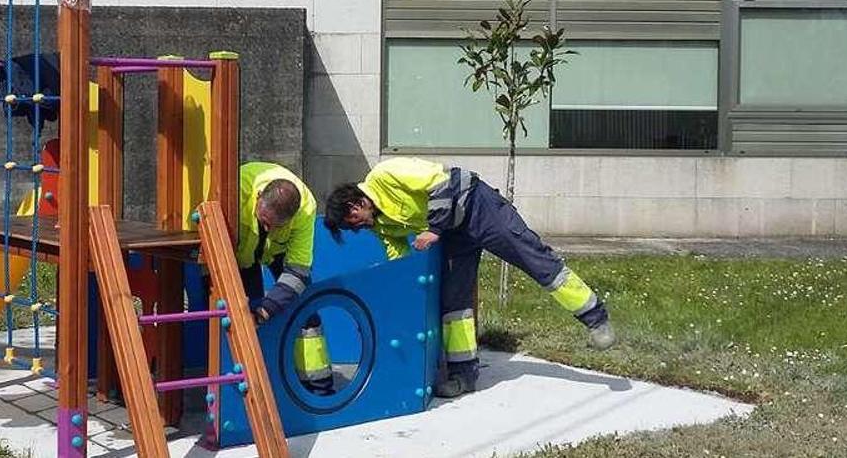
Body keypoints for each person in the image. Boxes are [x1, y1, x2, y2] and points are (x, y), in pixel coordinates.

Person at [323, 157, 615, 398]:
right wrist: (406, 288)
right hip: (454, 233)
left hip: (478, 207)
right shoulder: (379, 223)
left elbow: (440, 183)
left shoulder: (385, 174)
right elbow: (396, 253)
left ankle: (595, 317)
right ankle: (463, 375)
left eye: (354, 223)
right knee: (454, 301)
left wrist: (435, 229)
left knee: (534, 259)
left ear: (355, 205)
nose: (359, 229)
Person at [236, 161, 333, 394]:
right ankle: (253, 384)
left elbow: (298, 270)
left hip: (277, 251)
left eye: (277, 225)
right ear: (258, 197)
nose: (268, 229)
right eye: (265, 222)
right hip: (238, 255)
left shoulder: (305, 209)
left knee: (305, 310)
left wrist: (266, 310)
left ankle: (319, 385)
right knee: (244, 312)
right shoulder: (235, 190)